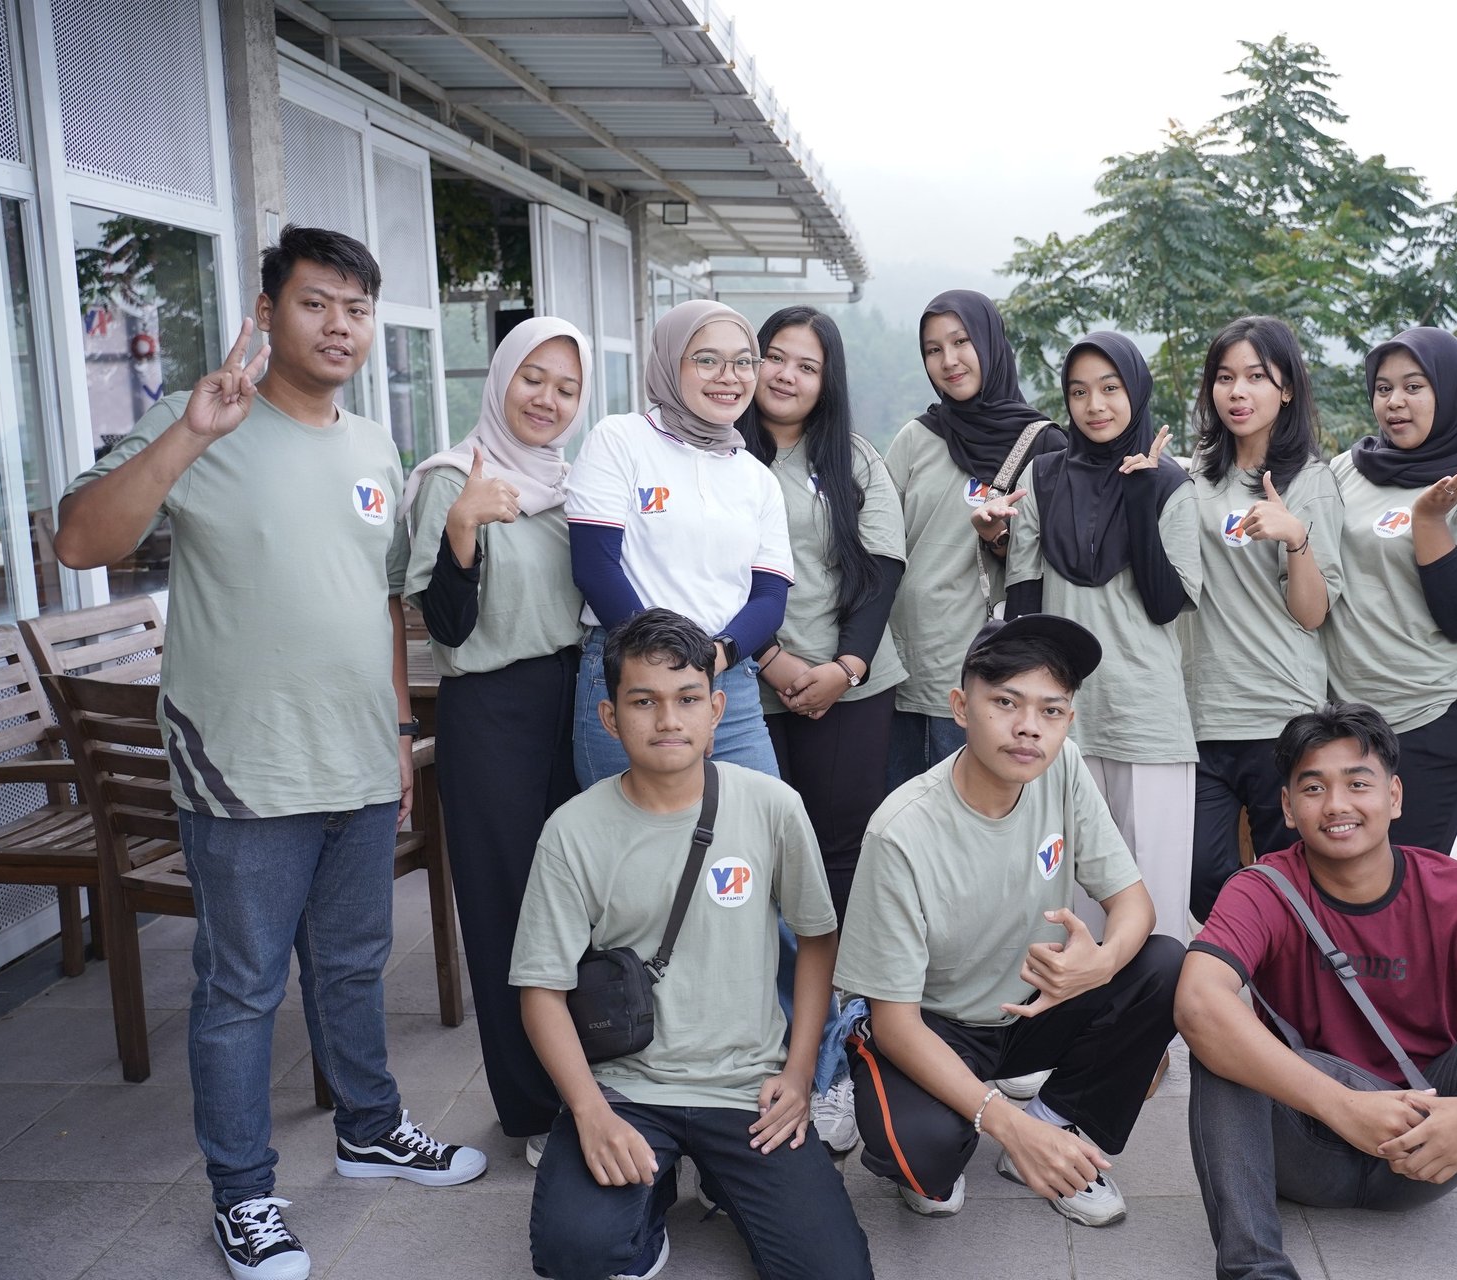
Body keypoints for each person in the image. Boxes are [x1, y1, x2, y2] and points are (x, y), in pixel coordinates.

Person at [53, 226, 485, 1280]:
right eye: (316, 303)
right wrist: (189, 435)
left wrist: (394, 734)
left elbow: (383, 603)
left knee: (352, 962)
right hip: (239, 760)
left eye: (356, 308)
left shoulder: (374, 446)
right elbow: (76, 540)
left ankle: (369, 1125)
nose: (339, 326)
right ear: (268, 310)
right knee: (240, 987)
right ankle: (243, 1194)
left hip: (352, 753)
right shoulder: (203, 424)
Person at [1177, 702, 1457, 1280]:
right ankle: (1255, 1269)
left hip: (1422, 1145)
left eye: (1358, 783)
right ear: (1286, 805)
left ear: (1395, 796)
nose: (1337, 805)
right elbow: (1197, 1003)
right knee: (1220, 1035)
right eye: (1313, 787)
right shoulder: (1262, 889)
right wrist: (1345, 1108)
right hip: (1303, 1142)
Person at [511, 609, 873, 1280]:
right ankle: (646, 1214)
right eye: (643, 702)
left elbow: (818, 941)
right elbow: (540, 987)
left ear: (716, 710)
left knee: (834, 1271)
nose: (667, 720)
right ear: (611, 717)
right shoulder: (572, 831)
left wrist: (799, 1074)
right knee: (577, 1253)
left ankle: (719, 1175)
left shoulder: (771, 806)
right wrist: (589, 1111)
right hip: (625, 1084)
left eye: (686, 700)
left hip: (746, 1087)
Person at [834, 614, 1184, 1228]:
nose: (1028, 728)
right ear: (960, 707)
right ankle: (1010, 1127)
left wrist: (1097, 964)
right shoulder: (901, 830)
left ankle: (1055, 1128)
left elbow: (1133, 904)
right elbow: (895, 1021)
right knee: (926, 1160)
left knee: (1163, 963)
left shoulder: (1064, 767)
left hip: (1031, 1008)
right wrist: (1005, 1125)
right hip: (933, 1025)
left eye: (1051, 710)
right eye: (1005, 702)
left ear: (1068, 720)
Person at [400, 316, 591, 1170]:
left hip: (578, 702)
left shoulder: (575, 484)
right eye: (533, 378)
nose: (548, 399)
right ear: (500, 379)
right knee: (508, 914)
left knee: (582, 906)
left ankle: (596, 1083)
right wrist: (464, 531)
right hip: (491, 712)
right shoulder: (451, 478)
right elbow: (442, 626)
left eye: (568, 386)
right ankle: (533, 1110)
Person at [986, 332, 1200, 942]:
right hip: (1063, 716)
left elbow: (1164, 605)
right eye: (1079, 392)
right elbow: (1024, 606)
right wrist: (1021, 706)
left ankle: (1152, 1036)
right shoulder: (1044, 476)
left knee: (1153, 897)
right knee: (1067, 894)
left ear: (1135, 391)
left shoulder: (1168, 485)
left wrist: (1138, 495)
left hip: (1146, 717)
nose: (1095, 405)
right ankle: (1082, 1030)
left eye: (1110, 389)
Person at [565, 299, 792, 786]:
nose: (729, 376)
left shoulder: (757, 478)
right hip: (629, 679)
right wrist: (670, 672)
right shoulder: (619, 440)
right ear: (670, 362)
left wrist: (712, 662)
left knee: (754, 835)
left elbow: (770, 597)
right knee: (631, 849)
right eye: (707, 359)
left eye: (744, 361)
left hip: (727, 685)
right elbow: (595, 567)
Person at [1320, 326, 1457, 854]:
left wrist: (1430, 522)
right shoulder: (1350, 469)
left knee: (1408, 872)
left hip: (1436, 706)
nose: (1395, 402)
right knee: (1344, 865)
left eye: (1415, 386)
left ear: (1451, 392)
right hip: (1348, 707)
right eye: (1384, 388)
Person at [741, 305, 907, 921]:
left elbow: (882, 567)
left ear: (826, 381)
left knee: (841, 847)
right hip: (744, 680)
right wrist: (769, 660)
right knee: (758, 848)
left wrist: (846, 667)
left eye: (806, 366)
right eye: (775, 358)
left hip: (850, 686)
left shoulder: (855, 459)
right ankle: (769, 1002)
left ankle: (839, 1006)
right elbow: (701, 571)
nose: (786, 375)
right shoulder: (720, 455)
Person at [1182, 317, 1345, 922]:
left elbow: (1312, 613)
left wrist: (1296, 539)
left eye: (1256, 376)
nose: (1237, 392)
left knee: (1296, 879)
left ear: (1287, 390)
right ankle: (1247, 992)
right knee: (1202, 877)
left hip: (1282, 713)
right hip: (1199, 716)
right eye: (1224, 378)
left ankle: (1287, 1010)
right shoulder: (1192, 479)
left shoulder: (1311, 482)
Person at [885, 289, 1063, 788]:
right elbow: (876, 546)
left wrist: (1000, 540)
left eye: (961, 341)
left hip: (986, 681)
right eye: (933, 349)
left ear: (990, 343)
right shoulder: (916, 438)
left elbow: (1052, 566)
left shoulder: (1044, 444)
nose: (949, 361)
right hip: (898, 673)